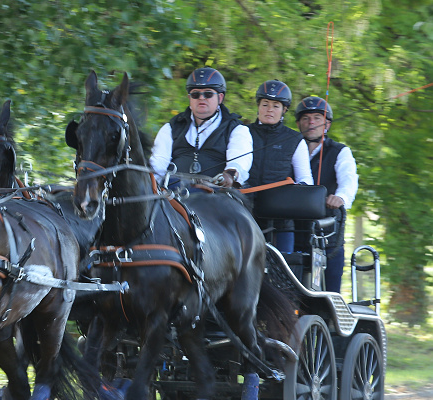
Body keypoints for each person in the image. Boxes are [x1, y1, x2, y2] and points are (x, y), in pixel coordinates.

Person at [296, 96, 359, 293]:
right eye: (306, 118)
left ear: (327, 124)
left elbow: (349, 180)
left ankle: (331, 320)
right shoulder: (290, 148)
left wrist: (340, 197)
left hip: (327, 231)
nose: (311, 122)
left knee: (330, 287)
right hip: (293, 228)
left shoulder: (340, 151)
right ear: (298, 123)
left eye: (317, 117)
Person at [150, 67, 252, 188]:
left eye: (208, 94)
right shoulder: (171, 128)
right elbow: (158, 163)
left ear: (220, 98)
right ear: (189, 98)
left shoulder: (237, 129)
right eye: (195, 94)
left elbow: (239, 162)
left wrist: (230, 175)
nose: (201, 98)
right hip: (175, 194)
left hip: (217, 195)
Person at [247, 80, 314, 253]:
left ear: (284, 110)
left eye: (276, 106)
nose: (270, 109)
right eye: (265, 104)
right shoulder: (242, 132)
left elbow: (305, 179)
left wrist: (299, 190)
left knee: (284, 270)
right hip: (244, 214)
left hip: (281, 222)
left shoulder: (295, 140)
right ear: (258, 106)